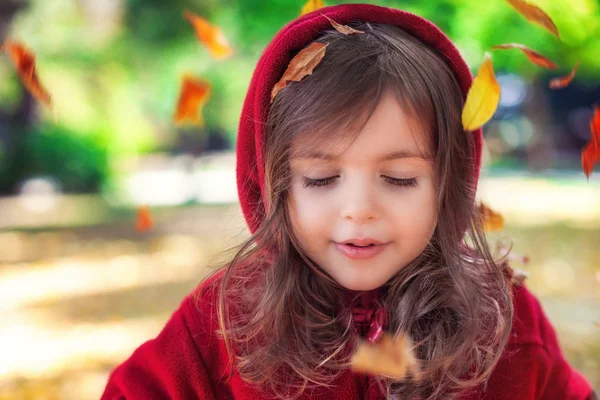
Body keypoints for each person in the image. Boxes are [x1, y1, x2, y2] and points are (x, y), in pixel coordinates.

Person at [101, 4, 596, 399]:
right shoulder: (225, 324)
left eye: (400, 178)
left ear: (448, 185)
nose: (359, 209)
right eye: (320, 178)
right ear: (275, 185)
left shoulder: (502, 323)